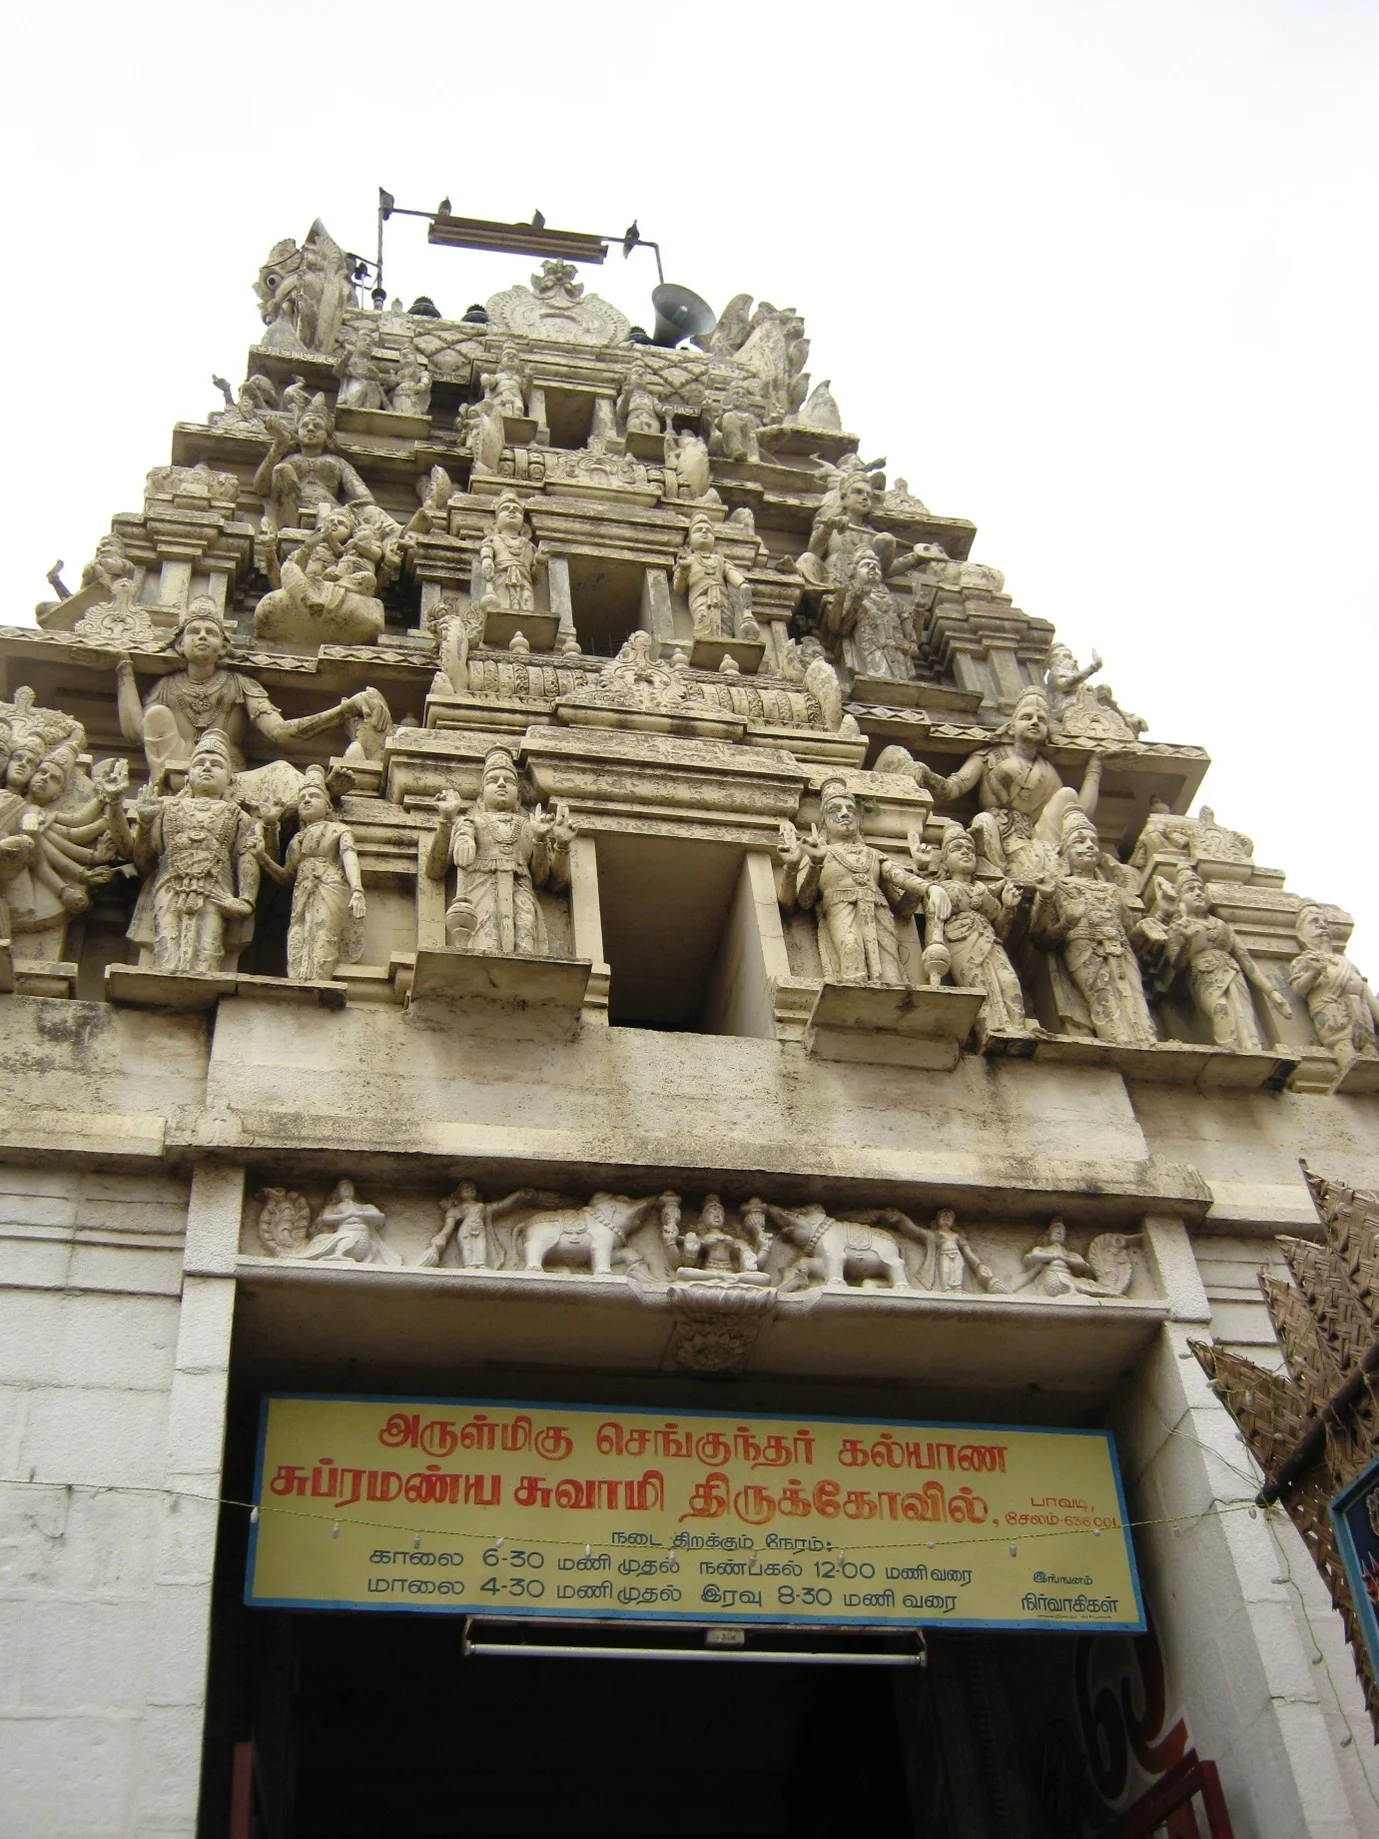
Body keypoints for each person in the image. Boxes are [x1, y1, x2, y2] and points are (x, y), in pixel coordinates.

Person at [115, 599, 373, 785]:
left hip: (230, 778)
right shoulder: (167, 686)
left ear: (223, 647)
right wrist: (124, 669)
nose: (202, 637)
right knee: (157, 714)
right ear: (180, 645)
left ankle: (322, 790)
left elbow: (279, 731)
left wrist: (342, 711)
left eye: (211, 633)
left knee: (282, 772)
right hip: (176, 774)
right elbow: (136, 732)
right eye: (194, 631)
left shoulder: (240, 684)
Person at [109, 731, 261, 976]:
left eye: (217, 765)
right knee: (166, 944)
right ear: (188, 775)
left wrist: (245, 900)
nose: (207, 768)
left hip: (216, 888)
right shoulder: (167, 808)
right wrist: (138, 817)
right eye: (199, 763)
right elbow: (143, 859)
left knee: (209, 949)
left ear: (230, 780)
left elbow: (247, 857)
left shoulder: (239, 816)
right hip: (170, 885)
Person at [912, 686, 1102, 882]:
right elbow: (953, 787)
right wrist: (927, 775)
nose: (1035, 722)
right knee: (984, 820)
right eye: (1026, 717)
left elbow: (1078, 817)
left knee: (1068, 795)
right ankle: (1006, 874)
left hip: (1034, 840)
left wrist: (1094, 769)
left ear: (1047, 734)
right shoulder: (988, 756)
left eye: (1041, 720)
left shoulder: (1047, 771)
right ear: (1011, 727)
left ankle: (1044, 867)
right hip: (996, 836)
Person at [1030, 810, 1163, 1047]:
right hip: (1083, 948)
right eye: (1079, 841)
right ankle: (1118, 1043)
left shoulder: (1113, 891)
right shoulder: (1060, 886)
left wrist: (1149, 926)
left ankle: (1145, 1041)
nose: (1089, 845)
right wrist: (1064, 920)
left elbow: (1131, 935)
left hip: (1122, 950)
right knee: (1102, 997)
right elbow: (1041, 939)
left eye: (1093, 841)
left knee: (1135, 997)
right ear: (1066, 853)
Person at [424, 747, 575, 956]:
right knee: (484, 948)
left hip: (521, 898)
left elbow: (544, 880)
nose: (502, 784)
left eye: (509, 781)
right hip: (481, 896)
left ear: (518, 796)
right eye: (493, 780)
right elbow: (434, 869)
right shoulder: (469, 823)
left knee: (526, 954)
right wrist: (447, 819)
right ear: (482, 793)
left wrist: (556, 844)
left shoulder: (529, 826)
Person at [778, 778, 928, 986]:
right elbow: (803, 901)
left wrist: (922, 874)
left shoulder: (873, 854)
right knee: (851, 948)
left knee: (892, 975)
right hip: (840, 912)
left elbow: (903, 904)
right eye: (835, 809)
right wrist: (814, 863)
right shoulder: (821, 853)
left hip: (880, 918)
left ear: (858, 821)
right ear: (823, 823)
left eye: (850, 809)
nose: (844, 813)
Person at [1157, 867, 1290, 1051]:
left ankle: (1252, 1051)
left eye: (1200, 889)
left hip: (1233, 973)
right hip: (1204, 978)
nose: (1197, 893)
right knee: (1221, 1011)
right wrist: (1187, 941)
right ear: (1179, 899)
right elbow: (1177, 966)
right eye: (1190, 890)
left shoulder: (1222, 925)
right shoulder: (1179, 926)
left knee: (1244, 1016)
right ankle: (1233, 1053)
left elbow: (1247, 962)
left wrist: (1272, 993)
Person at [916, 825, 1030, 1036]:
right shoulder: (941, 889)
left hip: (991, 942)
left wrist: (1009, 907)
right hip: (960, 942)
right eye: (957, 848)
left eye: (969, 848)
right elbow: (934, 922)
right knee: (980, 986)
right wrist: (934, 950)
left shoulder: (984, 890)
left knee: (1009, 981)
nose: (966, 851)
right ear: (945, 861)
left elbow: (1001, 931)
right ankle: (990, 1029)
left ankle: (1018, 1029)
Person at [254, 766, 365, 982]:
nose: (306, 800)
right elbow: (287, 877)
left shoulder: (339, 829)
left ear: (327, 806)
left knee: (324, 934)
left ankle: (318, 983)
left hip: (330, 886)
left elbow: (349, 856)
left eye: (314, 796)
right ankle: (299, 982)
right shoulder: (296, 840)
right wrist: (263, 858)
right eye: (302, 797)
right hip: (301, 894)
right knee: (298, 937)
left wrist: (357, 890)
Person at [1288, 903, 1379, 1072]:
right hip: (1332, 1015)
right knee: (1344, 1049)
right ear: (1301, 933)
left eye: (1324, 922)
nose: (1322, 925)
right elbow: (1299, 989)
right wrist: (1313, 973)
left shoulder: (1344, 961)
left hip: (1361, 1014)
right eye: (1314, 922)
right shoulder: (1303, 960)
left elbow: (1364, 991)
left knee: (1370, 1050)